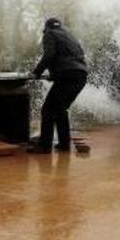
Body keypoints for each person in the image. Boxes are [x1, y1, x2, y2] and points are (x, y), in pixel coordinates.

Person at [28, 18, 88, 154]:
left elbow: (49, 54)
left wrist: (36, 73)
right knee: (61, 109)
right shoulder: (70, 36)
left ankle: (44, 146)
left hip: (67, 76)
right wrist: (55, 75)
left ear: (47, 27)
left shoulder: (49, 34)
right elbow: (70, 58)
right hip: (81, 76)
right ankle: (64, 144)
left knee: (48, 110)